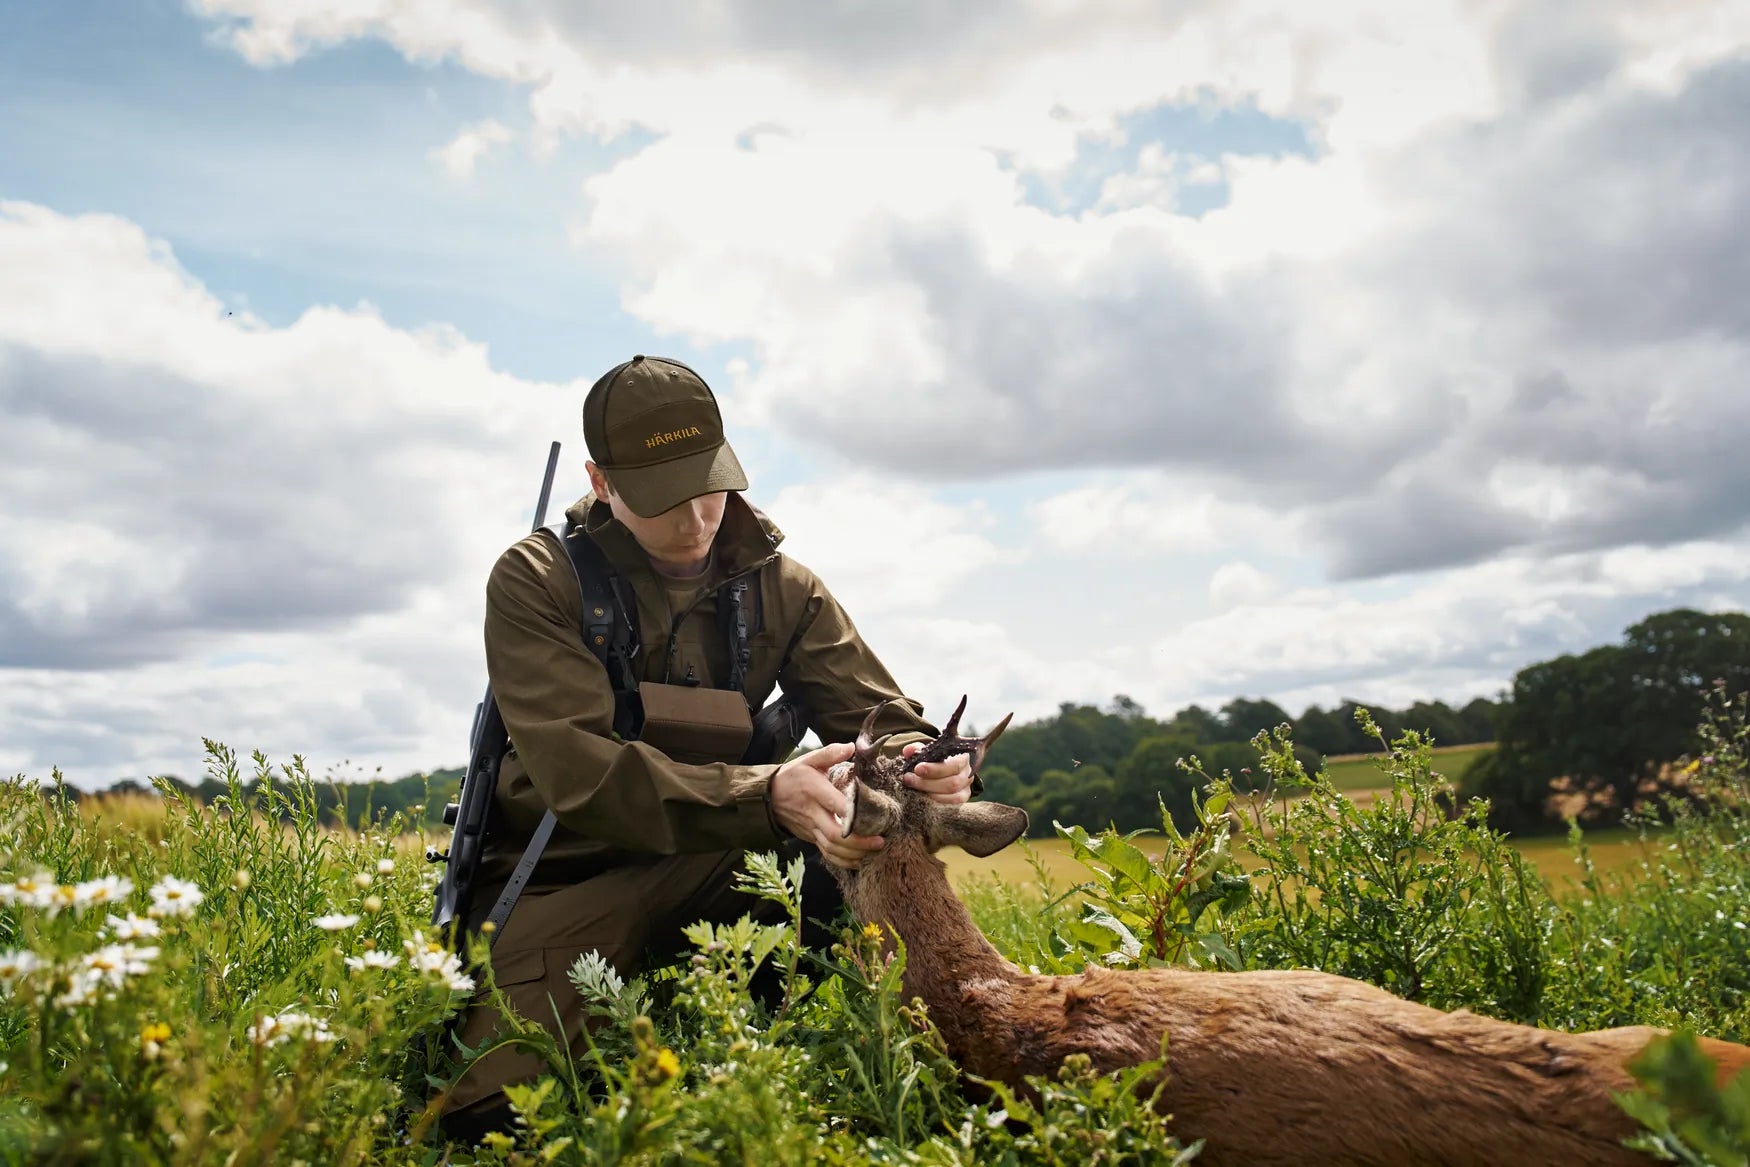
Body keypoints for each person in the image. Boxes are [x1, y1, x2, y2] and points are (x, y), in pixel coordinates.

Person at [439, 354, 977, 1137]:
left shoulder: (784, 587)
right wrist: (765, 794)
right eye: (663, 499)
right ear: (600, 482)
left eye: (710, 489)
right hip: (566, 877)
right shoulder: (537, 580)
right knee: (498, 1122)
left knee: (865, 839)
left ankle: (780, 1032)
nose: (695, 522)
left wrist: (922, 760)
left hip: (721, 863)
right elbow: (580, 776)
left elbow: (877, 713)